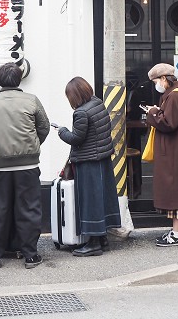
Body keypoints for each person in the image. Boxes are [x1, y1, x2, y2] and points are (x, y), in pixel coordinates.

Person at [0, 63, 50, 269]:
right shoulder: (32, 101)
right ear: (19, 79)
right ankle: (31, 256)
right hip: (28, 164)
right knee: (29, 209)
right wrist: (32, 146)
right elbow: (44, 128)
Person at [54, 77, 120, 256]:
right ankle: (102, 238)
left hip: (88, 161)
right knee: (101, 199)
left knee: (90, 202)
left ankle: (93, 244)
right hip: (102, 159)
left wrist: (62, 131)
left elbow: (76, 139)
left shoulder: (81, 113)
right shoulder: (97, 102)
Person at [144, 63, 178, 247]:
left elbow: (169, 123)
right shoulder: (175, 94)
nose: (155, 85)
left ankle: (177, 234)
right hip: (174, 151)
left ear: (164, 79)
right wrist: (156, 111)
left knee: (177, 192)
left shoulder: (174, 96)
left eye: (156, 81)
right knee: (176, 191)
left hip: (174, 152)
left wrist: (152, 112)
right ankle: (175, 232)